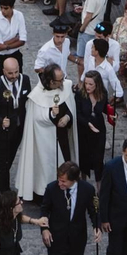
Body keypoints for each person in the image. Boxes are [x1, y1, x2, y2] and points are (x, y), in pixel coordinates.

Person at [39, 161, 100, 255]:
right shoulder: (52, 188)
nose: (60, 183)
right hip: (56, 238)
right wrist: (44, 228)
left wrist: (96, 226)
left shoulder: (87, 190)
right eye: (59, 179)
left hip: (77, 239)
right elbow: (44, 209)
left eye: (64, 181)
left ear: (74, 180)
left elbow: (94, 210)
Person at [15, 64, 76, 201]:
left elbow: (70, 108)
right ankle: (43, 194)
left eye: (62, 79)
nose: (63, 82)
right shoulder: (36, 96)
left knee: (65, 164)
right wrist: (52, 115)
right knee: (45, 168)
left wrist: (67, 117)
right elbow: (37, 118)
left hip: (62, 137)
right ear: (50, 82)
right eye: (59, 81)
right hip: (43, 141)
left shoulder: (65, 86)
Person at [0, 55, 34, 193]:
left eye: (16, 72)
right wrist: (1, 120)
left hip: (19, 127)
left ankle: (0, 179)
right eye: (10, 73)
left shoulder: (25, 80)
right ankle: (4, 188)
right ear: (4, 71)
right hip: (1, 130)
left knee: (11, 155)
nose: (14, 75)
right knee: (2, 158)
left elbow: (29, 100)